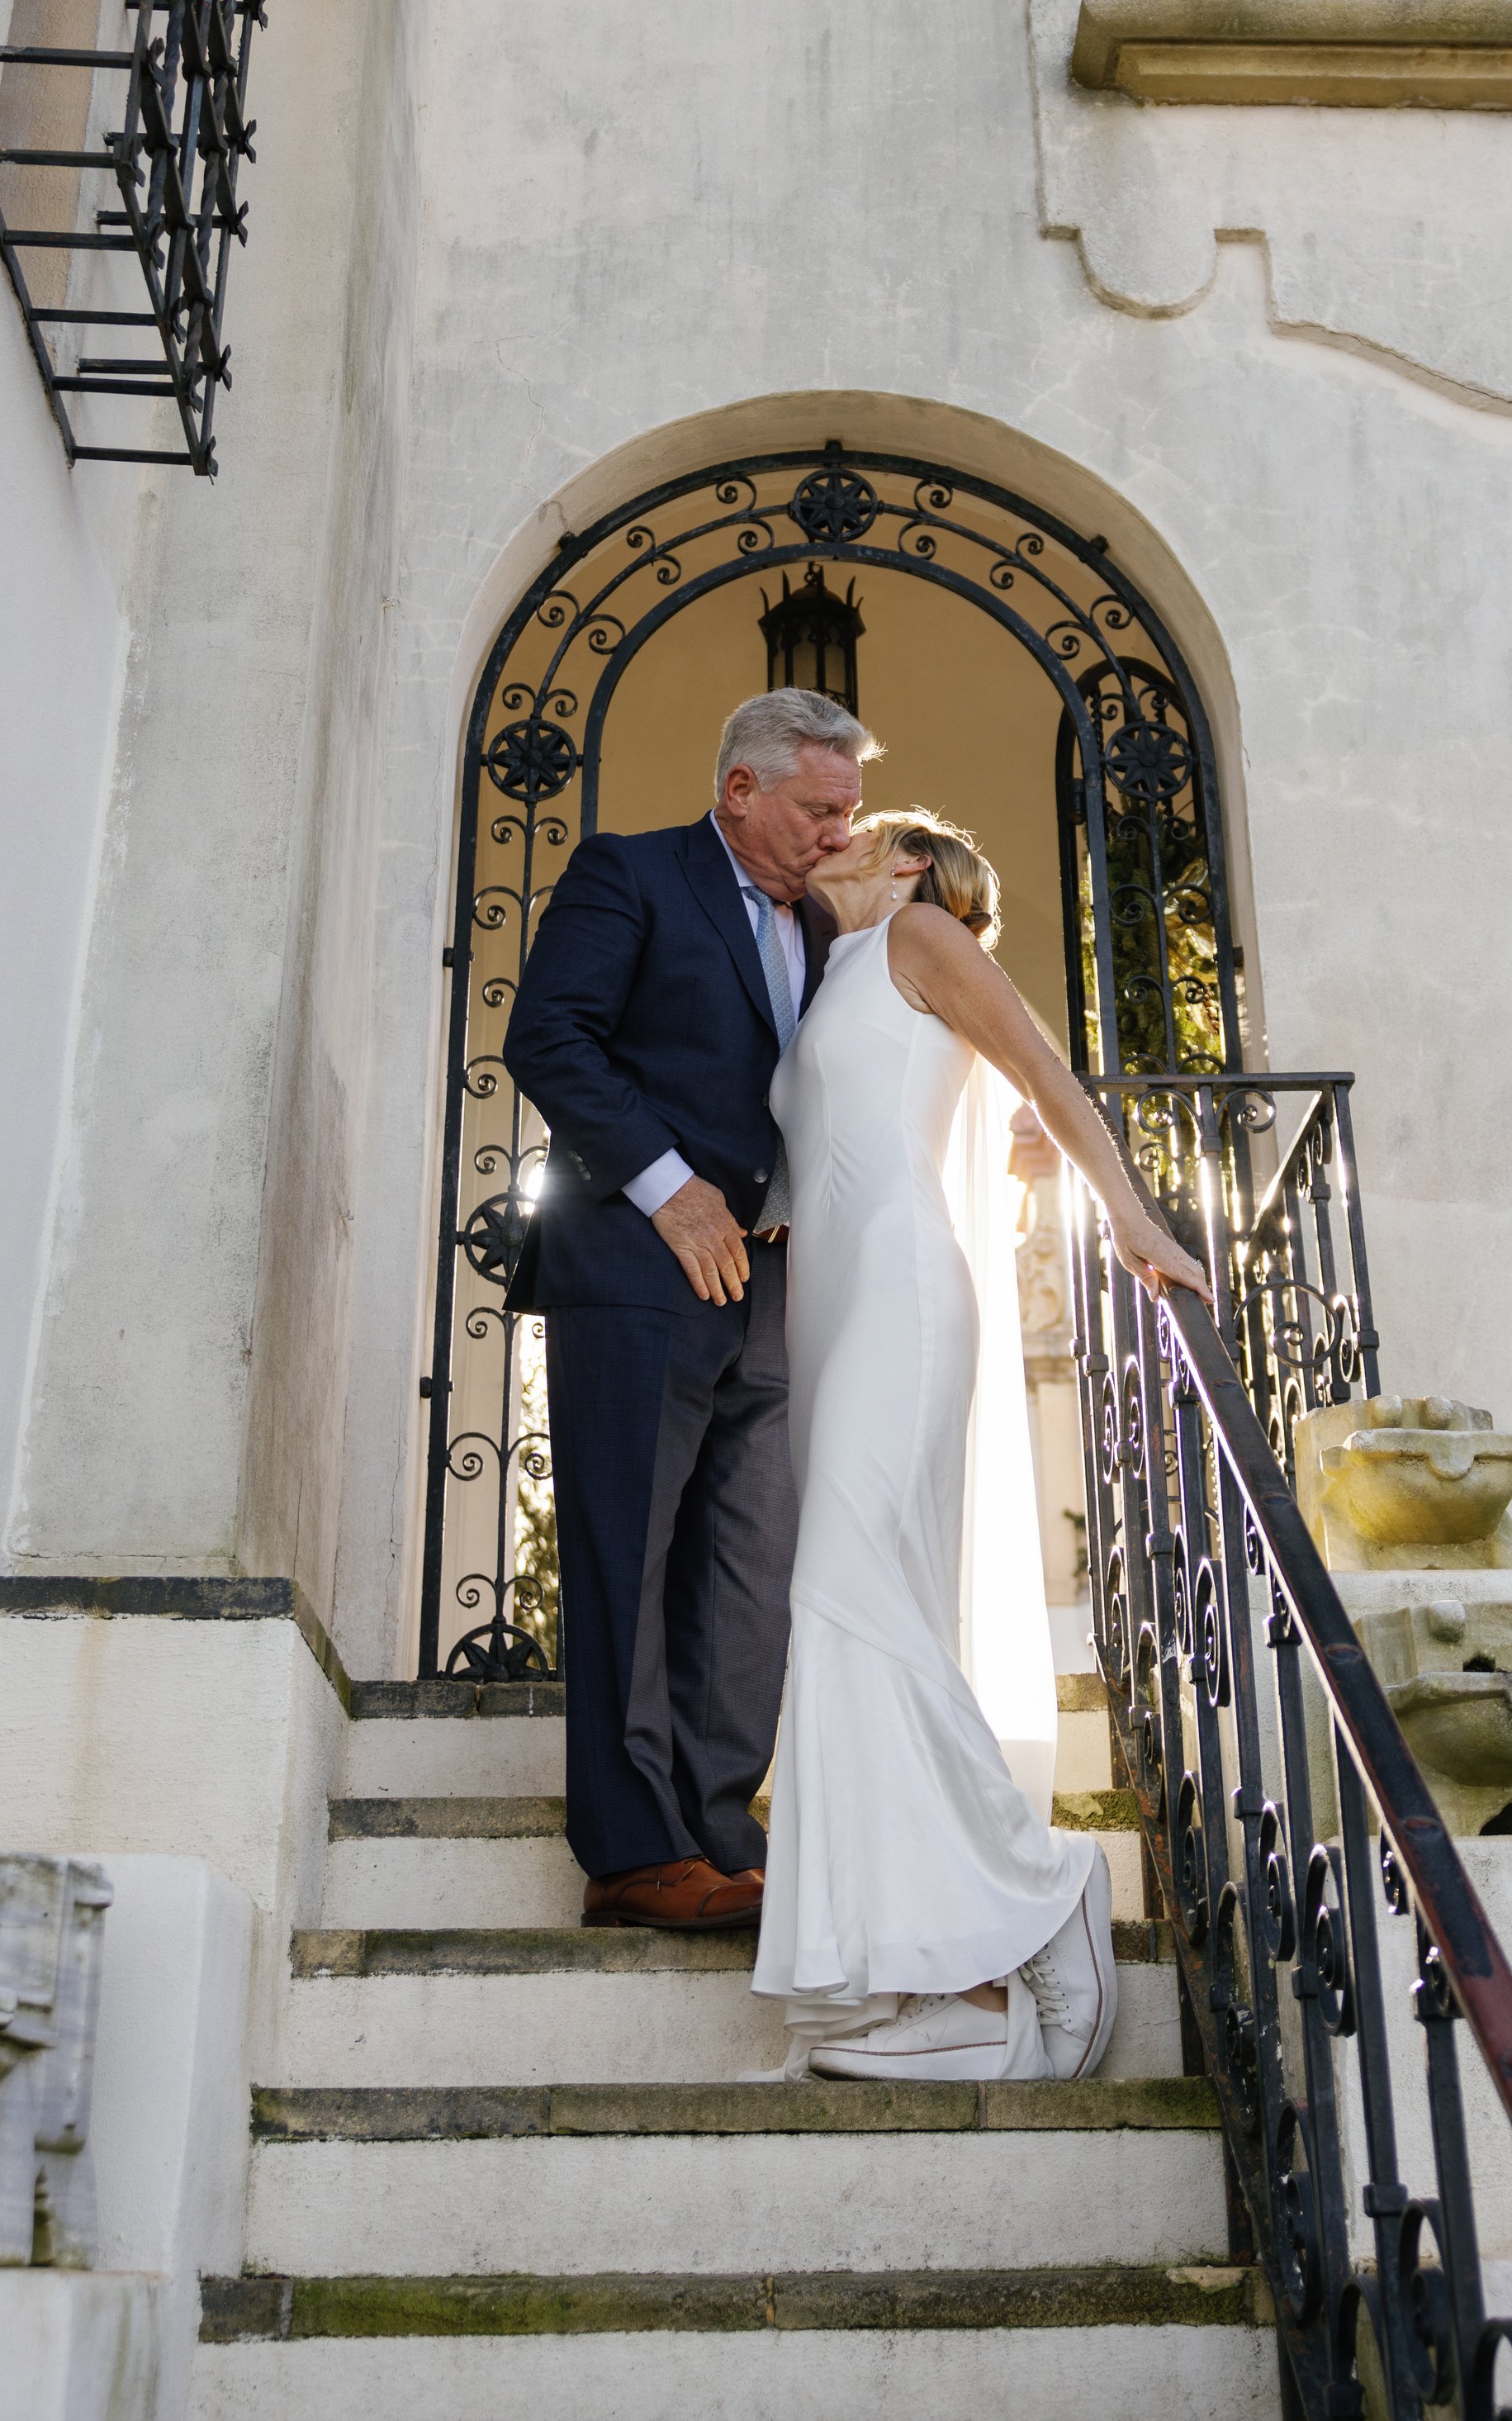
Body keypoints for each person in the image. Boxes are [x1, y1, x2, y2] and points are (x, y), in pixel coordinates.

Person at [753, 809, 1211, 2079]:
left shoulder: (921, 935)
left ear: (908, 861)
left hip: (900, 1287)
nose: (830, 834)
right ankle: (904, 1965)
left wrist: (1128, 1218)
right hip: (828, 1306)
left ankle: (1043, 1881)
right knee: (861, 1613)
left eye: (859, 826)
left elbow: (1044, 1075)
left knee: (845, 1592)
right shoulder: (821, 969)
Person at [502, 688, 878, 1930]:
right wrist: (672, 1194)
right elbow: (552, 1040)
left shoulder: (828, 929)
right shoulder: (631, 875)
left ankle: (720, 1831)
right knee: (629, 1552)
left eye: (850, 811)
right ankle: (629, 1853)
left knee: (748, 1564)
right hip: (634, 1264)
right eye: (821, 809)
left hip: (773, 1283)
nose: (838, 833)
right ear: (740, 791)